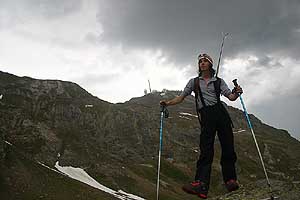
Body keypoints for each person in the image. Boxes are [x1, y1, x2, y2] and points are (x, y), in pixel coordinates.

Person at [160, 53, 242, 199]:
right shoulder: (194, 82)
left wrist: (237, 92)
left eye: (205, 61)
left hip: (221, 114)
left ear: (210, 64)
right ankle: (201, 185)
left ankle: (230, 180)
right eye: (200, 62)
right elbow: (181, 97)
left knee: (228, 146)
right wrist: (168, 103)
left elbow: (231, 97)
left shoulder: (219, 81)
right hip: (206, 116)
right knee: (206, 149)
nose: (202, 63)